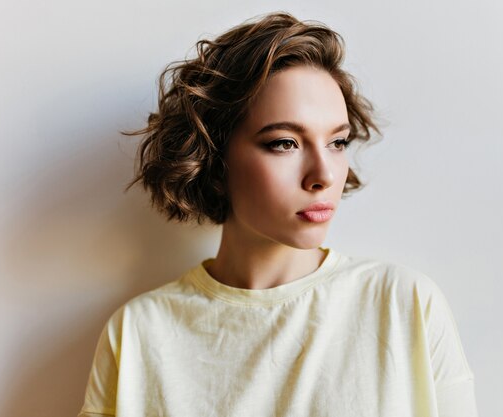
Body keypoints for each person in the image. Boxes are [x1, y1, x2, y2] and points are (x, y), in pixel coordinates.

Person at [78, 12, 478, 417]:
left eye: (337, 142)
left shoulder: (403, 305)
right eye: (285, 143)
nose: (323, 175)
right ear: (214, 157)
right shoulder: (139, 335)